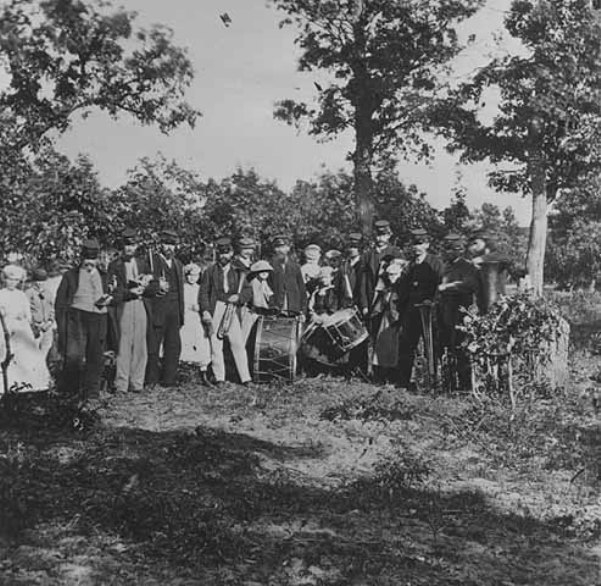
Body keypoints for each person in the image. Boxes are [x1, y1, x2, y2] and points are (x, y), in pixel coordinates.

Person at [55, 239, 114, 402]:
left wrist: (110, 299)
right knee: (73, 356)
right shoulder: (70, 276)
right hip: (77, 318)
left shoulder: (105, 276)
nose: (90, 263)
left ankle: (92, 393)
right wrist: (62, 325)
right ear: (81, 258)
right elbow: (60, 303)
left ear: (97, 259)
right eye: (87, 259)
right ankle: (70, 392)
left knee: (95, 356)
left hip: (98, 318)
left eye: (92, 260)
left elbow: (115, 295)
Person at [199, 237, 253, 387]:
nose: (224, 256)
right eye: (221, 253)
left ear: (231, 253)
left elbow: (248, 291)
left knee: (238, 343)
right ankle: (219, 378)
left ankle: (245, 378)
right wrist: (205, 311)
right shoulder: (210, 271)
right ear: (218, 254)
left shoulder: (238, 271)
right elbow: (203, 292)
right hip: (216, 308)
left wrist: (239, 297)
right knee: (216, 345)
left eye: (227, 253)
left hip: (232, 309)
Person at [108, 228, 156, 394]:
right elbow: (112, 291)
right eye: (126, 245)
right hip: (125, 305)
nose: (129, 249)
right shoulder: (115, 265)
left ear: (136, 246)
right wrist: (129, 293)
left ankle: (137, 383)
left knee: (140, 344)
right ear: (122, 247)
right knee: (124, 344)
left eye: (132, 245)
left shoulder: (143, 263)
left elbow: (153, 286)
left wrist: (147, 286)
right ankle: (121, 384)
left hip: (141, 305)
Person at [396, 228, 445, 389]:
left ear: (427, 245)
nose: (416, 247)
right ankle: (403, 381)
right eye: (414, 244)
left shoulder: (435, 263)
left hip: (429, 312)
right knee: (406, 345)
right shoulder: (409, 265)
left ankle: (433, 381)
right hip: (411, 311)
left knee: (432, 347)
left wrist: (433, 302)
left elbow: (441, 286)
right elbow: (403, 288)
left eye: (420, 244)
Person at [437, 233, 481, 391]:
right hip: (445, 311)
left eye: (450, 250)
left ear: (459, 250)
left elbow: (469, 285)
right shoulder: (446, 266)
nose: (446, 253)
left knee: (462, 348)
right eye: (446, 249)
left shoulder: (468, 267)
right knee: (446, 347)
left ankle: (465, 386)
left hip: (462, 312)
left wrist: (448, 287)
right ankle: (449, 384)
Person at [0, 264, 50, 393]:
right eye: (9, 279)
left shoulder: (21, 295)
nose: (12, 282)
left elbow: (27, 314)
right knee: (6, 354)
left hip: (21, 328)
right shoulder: (1, 294)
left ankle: (26, 385)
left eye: (15, 280)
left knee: (27, 354)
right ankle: (6, 385)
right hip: (5, 327)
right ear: (4, 279)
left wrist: (25, 319)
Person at [145, 229, 185, 388]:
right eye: (166, 244)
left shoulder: (178, 264)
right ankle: (151, 380)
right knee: (153, 347)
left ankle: (169, 379)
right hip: (158, 310)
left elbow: (181, 290)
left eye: (172, 244)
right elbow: (144, 286)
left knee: (173, 345)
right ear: (160, 245)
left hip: (175, 311)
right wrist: (156, 285)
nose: (169, 248)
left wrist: (181, 313)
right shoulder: (150, 261)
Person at [370, 258, 406, 384]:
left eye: (394, 275)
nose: (391, 277)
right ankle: (380, 375)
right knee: (382, 347)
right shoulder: (388, 288)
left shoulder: (402, 288)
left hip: (397, 321)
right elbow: (379, 306)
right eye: (389, 275)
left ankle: (394, 377)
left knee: (394, 350)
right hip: (386, 319)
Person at [359, 219, 403, 322]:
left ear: (389, 235)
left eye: (383, 235)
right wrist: (364, 304)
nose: (380, 239)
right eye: (378, 235)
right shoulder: (368, 255)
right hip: (371, 300)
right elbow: (363, 282)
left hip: (389, 302)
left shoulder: (395, 253)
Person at [181, 263, 213, 387]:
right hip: (186, 318)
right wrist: (188, 307)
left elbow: (205, 301)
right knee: (185, 341)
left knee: (201, 342)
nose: (192, 278)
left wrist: (200, 308)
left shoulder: (200, 288)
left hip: (197, 319)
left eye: (195, 276)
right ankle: (184, 372)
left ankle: (203, 372)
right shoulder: (183, 288)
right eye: (189, 275)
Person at [269, 235, 307, 319]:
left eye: (283, 247)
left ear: (288, 248)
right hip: (276, 311)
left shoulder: (295, 267)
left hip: (293, 310)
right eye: (277, 247)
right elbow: (267, 289)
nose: (280, 250)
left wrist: (302, 310)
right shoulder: (269, 266)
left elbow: (302, 289)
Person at [25, 268, 56, 360]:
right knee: (33, 351)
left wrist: (50, 321)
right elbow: (26, 310)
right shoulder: (29, 292)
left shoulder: (48, 293)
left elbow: (53, 308)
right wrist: (34, 324)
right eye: (37, 281)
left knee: (45, 350)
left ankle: (42, 371)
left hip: (47, 326)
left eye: (42, 281)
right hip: (35, 327)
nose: (39, 284)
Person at [340, 232, 363, 309]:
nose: (352, 249)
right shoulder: (344, 264)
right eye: (350, 247)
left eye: (355, 247)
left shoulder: (363, 263)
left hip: (359, 301)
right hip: (345, 302)